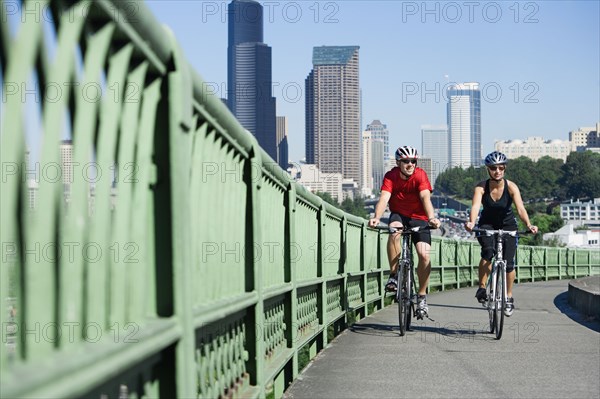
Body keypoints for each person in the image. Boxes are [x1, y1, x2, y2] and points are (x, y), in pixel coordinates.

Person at [368, 145, 441, 315]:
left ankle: (422, 296)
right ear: (398, 162)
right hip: (399, 215)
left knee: (424, 255)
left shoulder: (420, 175)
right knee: (393, 231)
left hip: (420, 218)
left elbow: (425, 197)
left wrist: (431, 218)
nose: (410, 164)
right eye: (406, 161)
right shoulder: (391, 176)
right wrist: (376, 217)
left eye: (413, 161)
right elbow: (384, 198)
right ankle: (394, 274)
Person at [465, 151, 538, 316]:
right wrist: (471, 221)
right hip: (487, 224)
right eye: (493, 168)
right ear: (488, 169)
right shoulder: (481, 187)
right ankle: (482, 288)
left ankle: (509, 296)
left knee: (509, 263)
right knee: (488, 253)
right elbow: (476, 206)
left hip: (508, 225)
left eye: (500, 167)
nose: (497, 171)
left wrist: (528, 224)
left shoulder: (511, 187)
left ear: (504, 168)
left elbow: (520, 208)